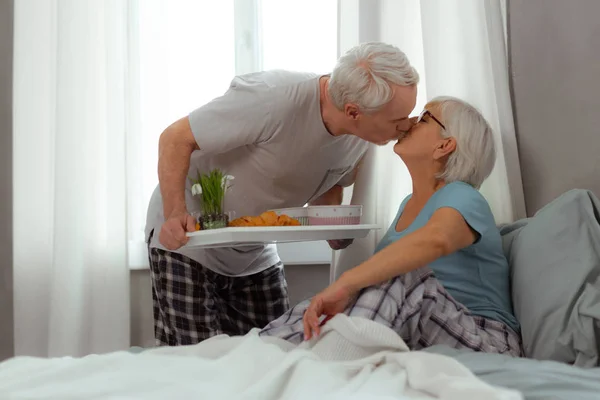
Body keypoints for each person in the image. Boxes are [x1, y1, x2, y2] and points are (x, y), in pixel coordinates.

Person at [145, 42, 420, 346]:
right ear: (353, 111)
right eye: (399, 120)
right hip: (190, 240)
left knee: (277, 351)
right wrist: (173, 213)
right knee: (199, 362)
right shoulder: (272, 97)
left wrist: (331, 225)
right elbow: (175, 138)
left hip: (254, 248)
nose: (408, 125)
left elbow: (331, 182)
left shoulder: (363, 133)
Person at [260, 96, 523, 357]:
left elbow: (437, 239)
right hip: (425, 330)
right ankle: (260, 356)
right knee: (317, 306)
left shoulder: (463, 195)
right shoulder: (408, 205)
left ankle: (325, 368)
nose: (409, 122)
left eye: (423, 118)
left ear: (444, 146)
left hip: (488, 339)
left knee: (402, 275)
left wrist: (346, 282)